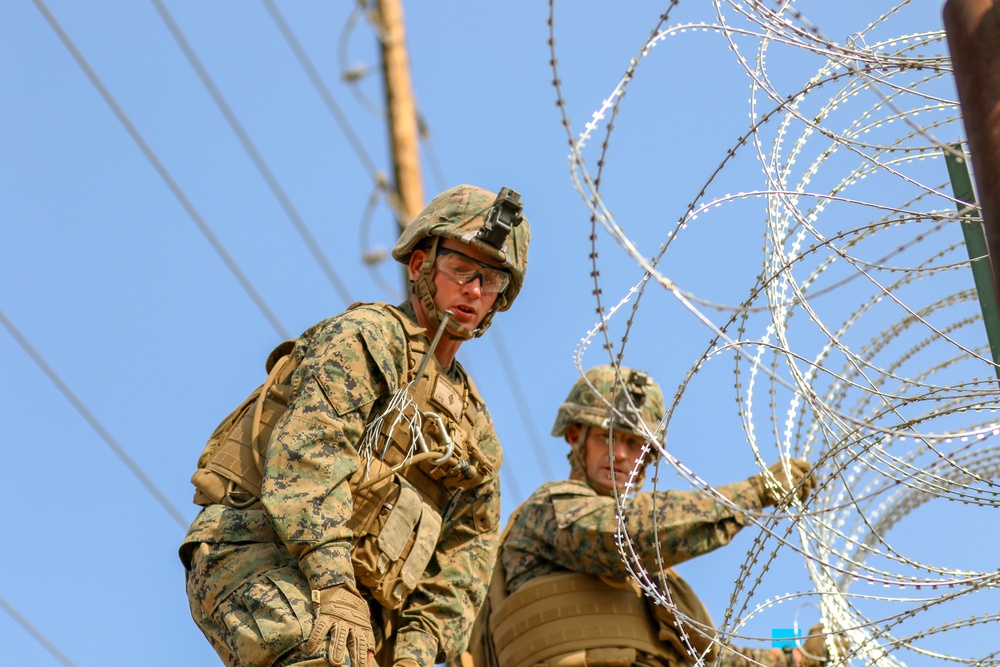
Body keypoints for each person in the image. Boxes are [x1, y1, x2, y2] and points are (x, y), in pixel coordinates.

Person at [178, 184, 530, 667]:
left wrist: (415, 654)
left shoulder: (474, 430)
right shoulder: (367, 338)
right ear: (420, 266)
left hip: (362, 613)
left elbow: (464, 560)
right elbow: (309, 457)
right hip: (260, 552)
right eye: (461, 270)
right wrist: (334, 584)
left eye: (490, 281)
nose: (474, 290)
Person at [464, 365, 846, 667]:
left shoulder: (653, 581)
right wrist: (752, 493)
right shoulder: (549, 512)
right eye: (607, 437)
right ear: (575, 436)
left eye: (635, 445)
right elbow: (624, 532)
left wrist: (798, 655)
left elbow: (708, 657)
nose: (621, 456)